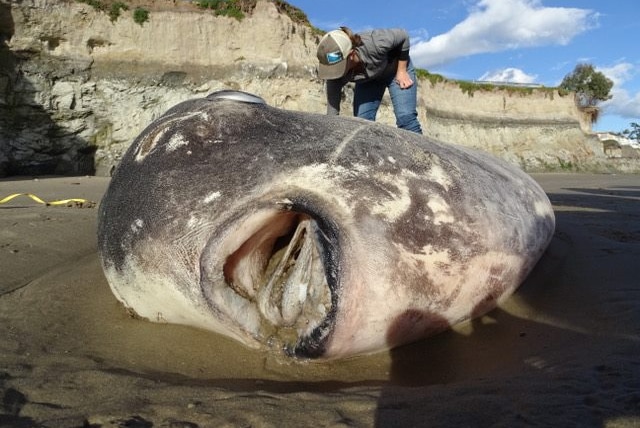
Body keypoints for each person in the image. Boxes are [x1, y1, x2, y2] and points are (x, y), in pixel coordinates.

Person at [316, 26, 423, 134]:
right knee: (361, 124)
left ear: (351, 55)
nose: (334, 72)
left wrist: (401, 70)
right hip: (369, 81)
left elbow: (403, 35)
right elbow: (332, 114)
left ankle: (423, 151)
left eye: (338, 67)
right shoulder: (335, 77)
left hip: (395, 70)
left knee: (406, 119)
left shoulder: (374, 42)